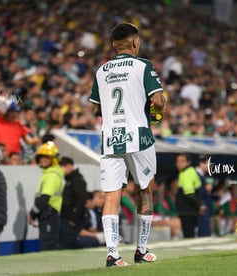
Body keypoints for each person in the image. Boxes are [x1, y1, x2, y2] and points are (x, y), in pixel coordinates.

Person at [89, 22, 166, 267]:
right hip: (139, 136)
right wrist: (159, 106)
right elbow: (158, 101)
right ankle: (141, 250)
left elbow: (95, 108)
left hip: (111, 138)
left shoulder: (101, 71)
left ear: (114, 45)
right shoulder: (143, 66)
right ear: (135, 42)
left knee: (111, 195)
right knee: (146, 190)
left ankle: (112, 254)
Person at [28, 141, 64, 251]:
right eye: (41, 157)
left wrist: (32, 214)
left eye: (47, 157)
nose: (43, 160)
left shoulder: (51, 175)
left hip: (49, 215)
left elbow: (44, 199)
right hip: (49, 215)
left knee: (47, 248)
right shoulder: (51, 173)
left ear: (54, 159)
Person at [59, 156, 88, 249]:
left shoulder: (77, 180)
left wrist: (73, 218)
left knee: (70, 245)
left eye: (63, 166)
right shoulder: (69, 180)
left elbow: (81, 199)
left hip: (72, 220)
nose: (61, 169)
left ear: (70, 166)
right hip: (67, 218)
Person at [175, 153, 205, 238]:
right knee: (191, 232)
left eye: (182, 161)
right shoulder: (189, 171)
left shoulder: (186, 173)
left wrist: (199, 206)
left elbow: (190, 194)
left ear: (188, 162)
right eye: (177, 161)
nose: (179, 163)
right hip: (190, 209)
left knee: (188, 234)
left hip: (188, 210)